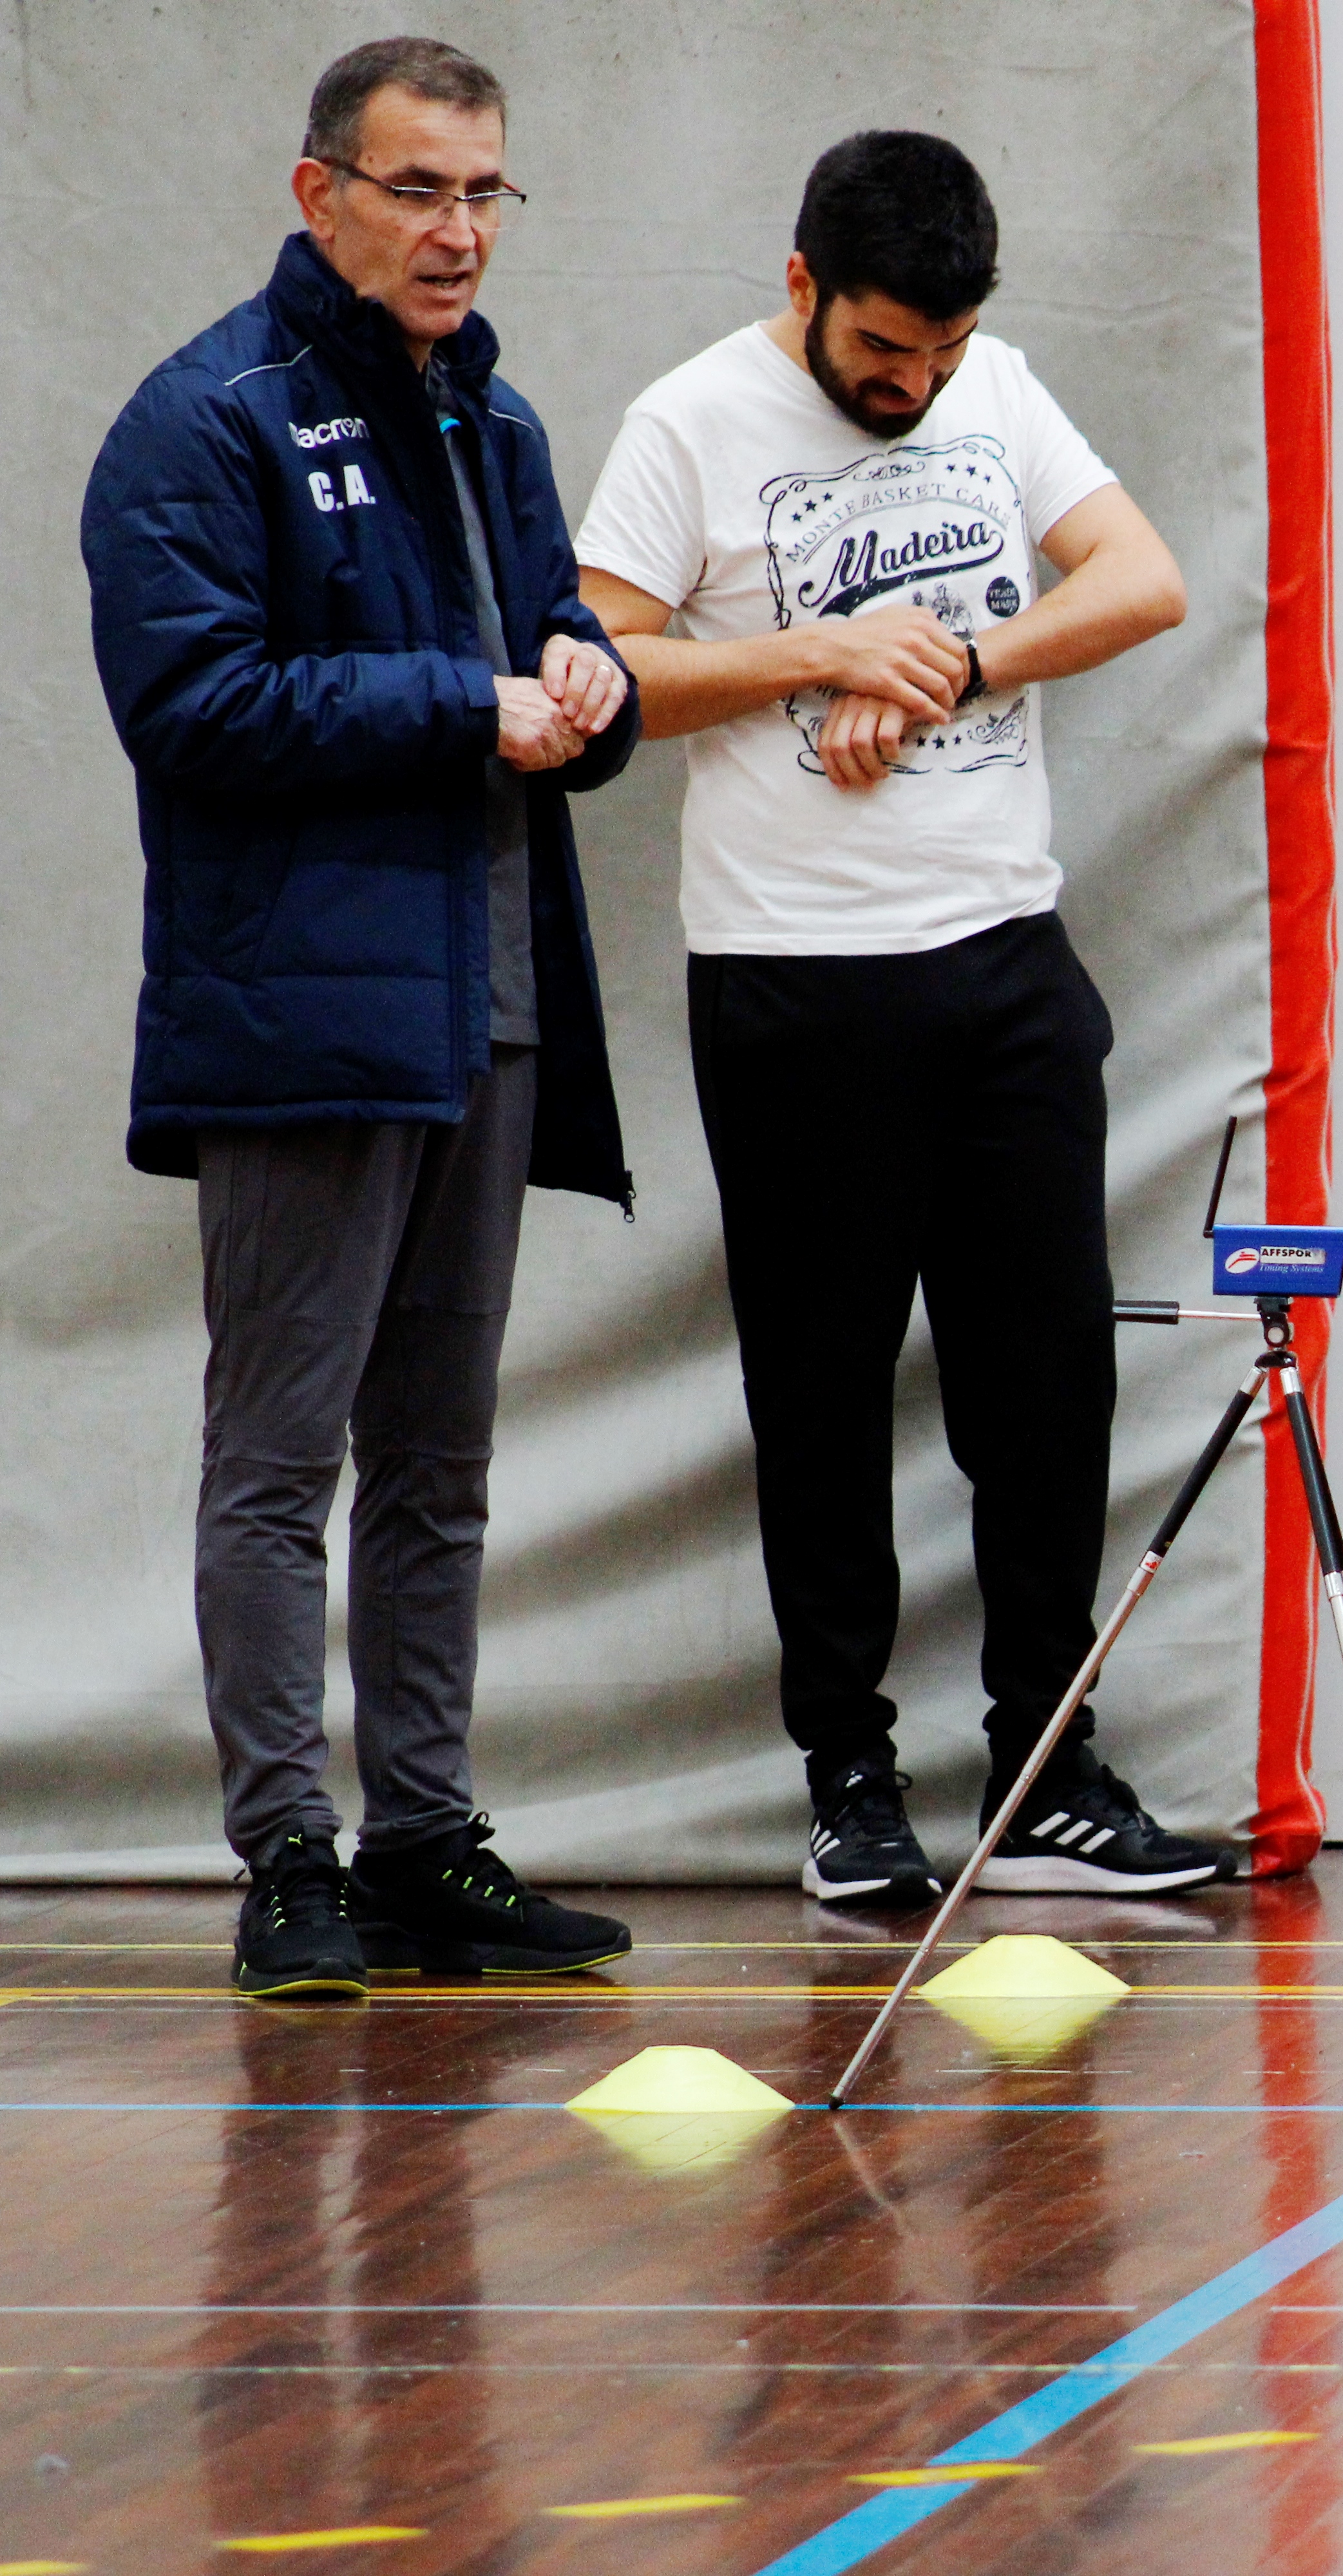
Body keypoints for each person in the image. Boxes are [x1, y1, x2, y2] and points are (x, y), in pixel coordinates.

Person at [575, 131, 1218, 1909]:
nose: (912, 381)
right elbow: (598, 680)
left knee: (1047, 1383)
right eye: (882, 350)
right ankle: (848, 1781)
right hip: (793, 985)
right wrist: (814, 655)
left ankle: (1044, 1766)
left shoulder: (996, 389)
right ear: (801, 287)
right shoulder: (686, 426)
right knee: (824, 1390)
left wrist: (948, 662)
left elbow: (1143, 578)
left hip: (1005, 964)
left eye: (937, 352)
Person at [82, 37, 643, 1998]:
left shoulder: (497, 421)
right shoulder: (205, 417)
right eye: (419, 190)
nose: (459, 231)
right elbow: (191, 707)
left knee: (442, 1462)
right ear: (317, 193)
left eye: (487, 192)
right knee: (280, 1458)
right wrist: (457, 701)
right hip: (304, 1017)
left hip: (483, 1003)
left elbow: (557, 642)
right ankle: (287, 1858)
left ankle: (421, 1836)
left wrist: (591, 694)